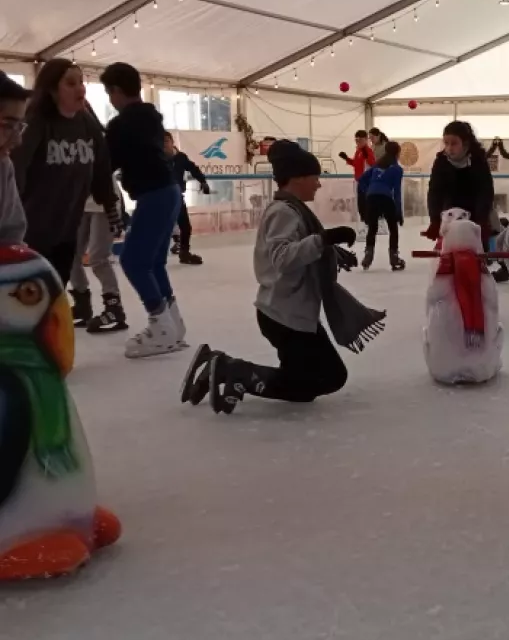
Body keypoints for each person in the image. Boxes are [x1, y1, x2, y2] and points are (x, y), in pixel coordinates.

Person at [180, 141, 383, 415]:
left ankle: (220, 366)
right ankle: (234, 371)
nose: (319, 185)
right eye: (315, 178)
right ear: (298, 177)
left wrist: (329, 250)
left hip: (292, 314)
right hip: (284, 316)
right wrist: (324, 239)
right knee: (321, 379)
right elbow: (283, 258)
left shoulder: (293, 210)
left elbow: (301, 248)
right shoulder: (283, 212)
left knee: (320, 378)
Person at [11, 60, 119, 300]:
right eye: (70, 83)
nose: (80, 89)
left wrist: (109, 203)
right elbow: (16, 166)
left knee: (55, 293)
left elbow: (102, 164)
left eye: (81, 82)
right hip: (32, 233)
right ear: (51, 90)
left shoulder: (86, 122)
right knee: (30, 299)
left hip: (67, 230)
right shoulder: (37, 121)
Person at [100, 62, 184, 358]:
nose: (110, 100)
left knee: (134, 262)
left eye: (109, 93)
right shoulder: (151, 118)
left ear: (116, 91)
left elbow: (105, 162)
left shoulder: (122, 124)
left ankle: (161, 327)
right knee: (154, 262)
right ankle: (173, 324)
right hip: (169, 191)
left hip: (154, 195)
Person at [68, 170, 128, 334]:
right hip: (78, 203)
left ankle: (114, 307)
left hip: (104, 203)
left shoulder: (97, 144)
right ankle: (82, 304)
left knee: (97, 258)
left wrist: (114, 212)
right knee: (70, 255)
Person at [425, 121, 496, 244]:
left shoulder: (478, 161)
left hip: (475, 209)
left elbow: (485, 192)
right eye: (446, 143)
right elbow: (434, 193)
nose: (449, 148)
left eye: (454, 143)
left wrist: (482, 220)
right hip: (450, 211)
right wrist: (435, 220)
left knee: (477, 247)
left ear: (466, 144)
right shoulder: (441, 162)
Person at [163, 131, 210, 265]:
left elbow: (193, 168)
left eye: (166, 141)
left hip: (177, 198)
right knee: (161, 228)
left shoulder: (180, 158)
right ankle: (154, 255)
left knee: (185, 227)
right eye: (161, 142)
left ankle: (184, 252)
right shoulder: (156, 159)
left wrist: (203, 181)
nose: (164, 144)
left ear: (172, 143)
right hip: (160, 199)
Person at [358, 140, 405, 271]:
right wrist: (398, 212)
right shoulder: (397, 169)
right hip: (386, 197)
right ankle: (394, 257)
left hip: (371, 198)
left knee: (372, 228)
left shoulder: (376, 165)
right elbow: (397, 191)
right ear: (398, 153)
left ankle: (368, 255)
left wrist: (368, 191)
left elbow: (361, 180)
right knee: (393, 228)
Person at [0, 73, 30, 243]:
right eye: (8, 125)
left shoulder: (3, 166)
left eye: (19, 126)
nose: (17, 140)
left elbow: (11, 237)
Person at [339, 129, 376, 223]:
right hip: (359, 181)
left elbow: (373, 164)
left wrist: (368, 156)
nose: (358, 142)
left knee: (365, 204)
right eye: (356, 140)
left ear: (365, 140)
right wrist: (346, 158)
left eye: (360, 140)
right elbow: (356, 164)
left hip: (366, 182)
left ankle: (369, 223)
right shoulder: (358, 151)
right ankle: (364, 222)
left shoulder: (368, 151)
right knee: (361, 205)